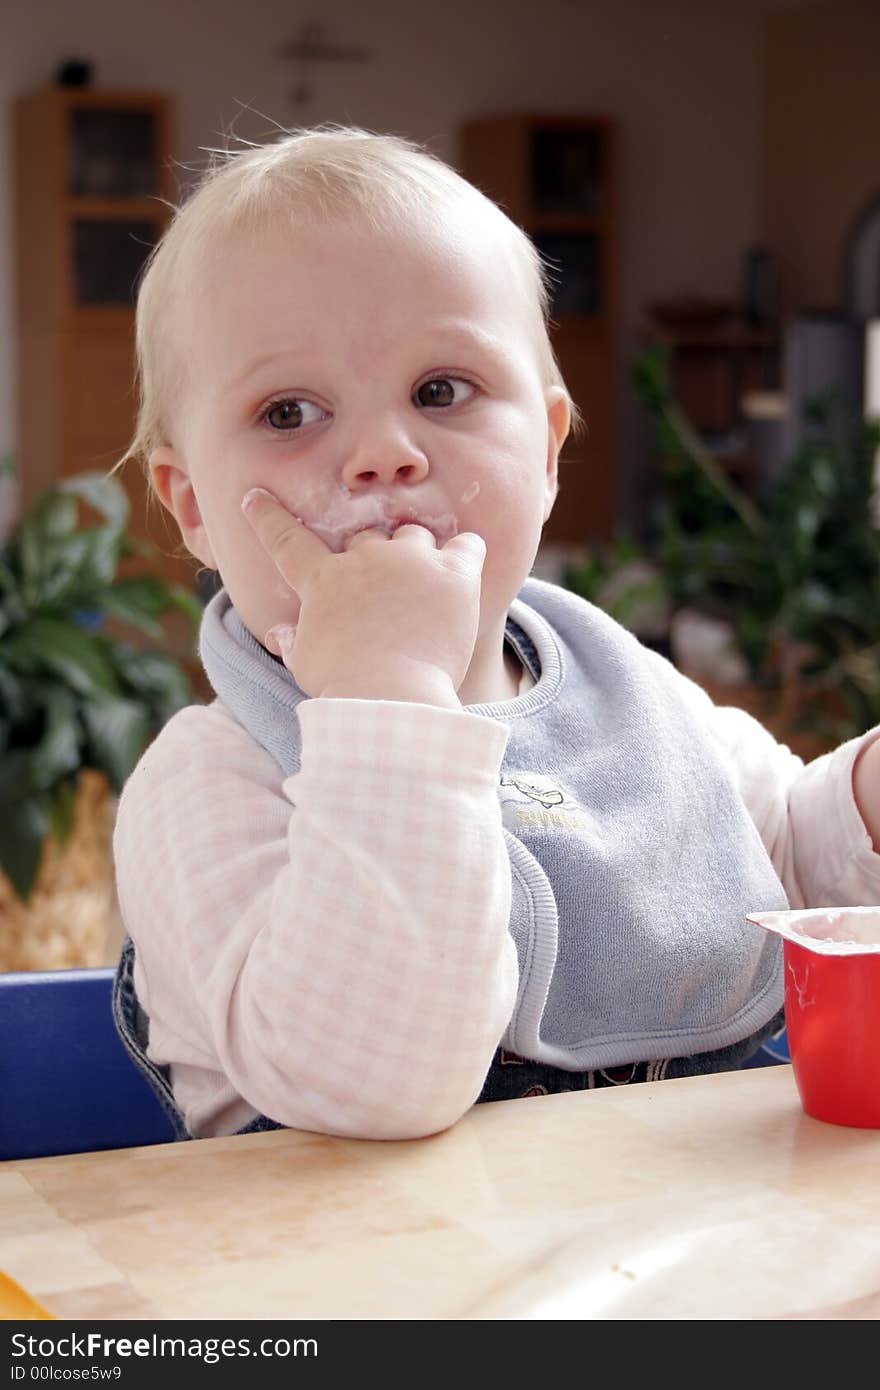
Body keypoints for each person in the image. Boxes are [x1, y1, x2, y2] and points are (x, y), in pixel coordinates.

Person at [112, 124, 880, 1143]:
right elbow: (370, 1080)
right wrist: (387, 698)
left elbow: (781, 848)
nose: (381, 453)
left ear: (549, 448)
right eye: (289, 411)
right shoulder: (209, 780)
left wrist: (865, 802)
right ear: (192, 504)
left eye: (440, 391)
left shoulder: (629, 693)